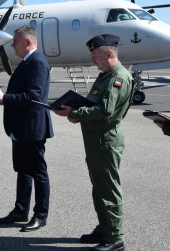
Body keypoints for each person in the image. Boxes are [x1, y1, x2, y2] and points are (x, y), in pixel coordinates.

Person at [53, 34, 133, 251]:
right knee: (99, 188)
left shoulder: (119, 77)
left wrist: (77, 112)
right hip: (95, 140)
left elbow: (105, 110)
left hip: (106, 141)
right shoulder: (104, 76)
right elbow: (93, 105)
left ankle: (115, 238)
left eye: (95, 55)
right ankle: (104, 229)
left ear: (108, 53)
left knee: (109, 189)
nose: (93, 60)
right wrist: (76, 113)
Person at [0, 25, 53, 232]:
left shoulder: (38, 63)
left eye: (15, 41)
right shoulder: (27, 62)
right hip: (21, 128)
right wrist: (3, 93)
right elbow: (23, 92)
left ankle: (41, 215)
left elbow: (34, 97)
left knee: (38, 172)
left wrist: (4, 98)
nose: (12, 45)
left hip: (32, 129)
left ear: (28, 42)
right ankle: (21, 210)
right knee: (23, 171)